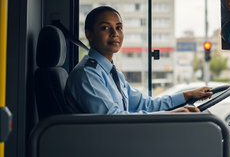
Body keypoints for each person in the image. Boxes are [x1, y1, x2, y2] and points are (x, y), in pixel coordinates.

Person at [65, 6, 212, 114]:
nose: (115, 33)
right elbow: (111, 121)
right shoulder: (87, 75)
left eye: (119, 27)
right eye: (105, 28)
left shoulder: (112, 72)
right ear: (89, 34)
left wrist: (187, 95)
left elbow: (145, 104)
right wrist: (168, 115)